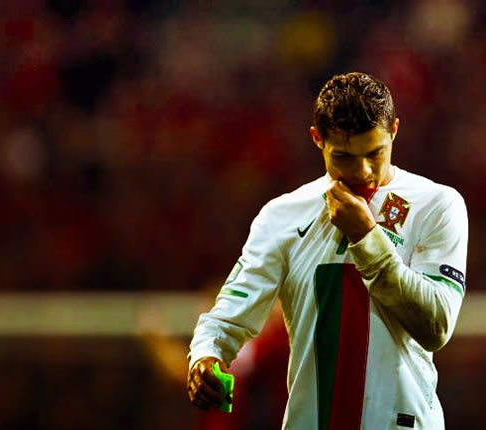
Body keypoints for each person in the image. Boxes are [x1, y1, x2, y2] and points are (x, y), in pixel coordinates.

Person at [186, 72, 468, 429]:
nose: (363, 171)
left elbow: (437, 326)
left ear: (394, 130)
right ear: (317, 139)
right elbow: (229, 315)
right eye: (344, 157)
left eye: (375, 153)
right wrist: (206, 354)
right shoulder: (282, 215)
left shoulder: (436, 205)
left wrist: (367, 238)